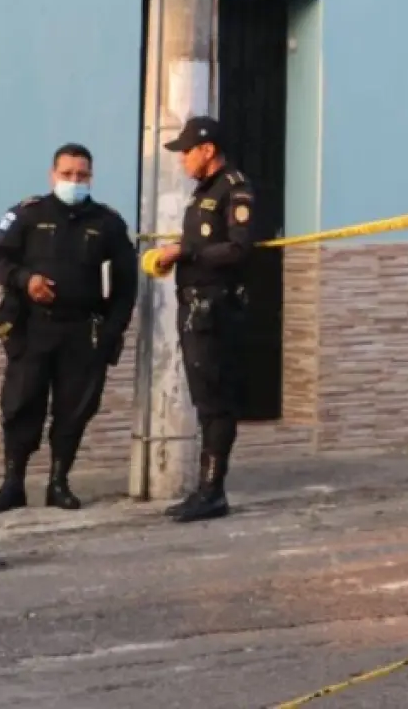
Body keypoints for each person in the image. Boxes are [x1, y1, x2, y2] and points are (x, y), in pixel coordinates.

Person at [0, 143, 138, 513]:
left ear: (91, 177)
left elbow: (125, 286)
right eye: (67, 174)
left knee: (74, 411)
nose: (74, 181)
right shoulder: (28, 214)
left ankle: (58, 483)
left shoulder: (108, 223)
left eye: (81, 175)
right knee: (21, 406)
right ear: (53, 175)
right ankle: (13, 484)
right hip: (33, 329)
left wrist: (112, 333)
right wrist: (25, 278)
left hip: (82, 333)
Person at [151, 115, 255, 523]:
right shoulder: (204, 192)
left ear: (207, 150)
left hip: (217, 310)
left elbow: (239, 249)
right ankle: (206, 489)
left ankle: (213, 491)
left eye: (187, 152)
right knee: (206, 400)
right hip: (196, 308)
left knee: (216, 403)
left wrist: (187, 254)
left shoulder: (235, 189)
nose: (182, 161)